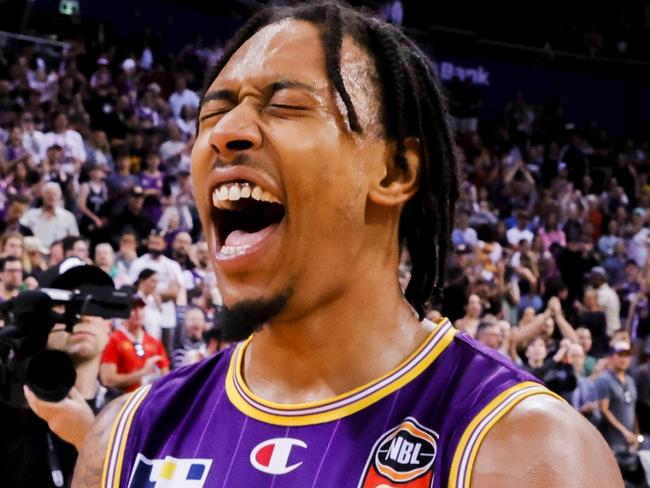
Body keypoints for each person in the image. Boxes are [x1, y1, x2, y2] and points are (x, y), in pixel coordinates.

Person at [73, 3, 621, 487]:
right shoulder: (125, 441)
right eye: (213, 113)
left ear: (395, 171)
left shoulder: (526, 449)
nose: (225, 132)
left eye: (284, 105)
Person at [0, 258, 120, 487]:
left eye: (94, 303)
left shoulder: (130, 413)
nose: (83, 316)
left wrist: (86, 438)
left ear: (109, 326)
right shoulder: (9, 405)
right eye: (67, 303)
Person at [99, 297, 170, 393]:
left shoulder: (154, 342)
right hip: (122, 400)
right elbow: (107, 379)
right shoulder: (113, 340)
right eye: (133, 308)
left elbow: (166, 374)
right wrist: (142, 373)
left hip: (150, 398)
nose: (138, 313)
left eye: (141, 308)